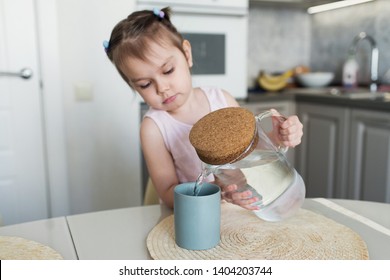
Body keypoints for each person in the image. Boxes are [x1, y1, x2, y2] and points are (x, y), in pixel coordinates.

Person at [104, 7, 303, 210]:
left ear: (187, 54)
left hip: (239, 207)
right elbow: (166, 191)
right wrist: (215, 193)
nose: (162, 88)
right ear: (134, 86)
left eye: (168, 70)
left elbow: (250, 151)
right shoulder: (153, 128)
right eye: (145, 84)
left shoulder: (221, 99)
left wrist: (277, 137)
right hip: (191, 211)